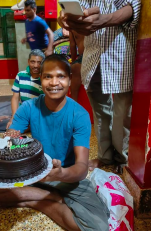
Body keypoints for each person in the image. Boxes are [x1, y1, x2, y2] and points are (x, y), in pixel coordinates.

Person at [0, 54, 109, 231]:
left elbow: (80, 168)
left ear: (70, 79)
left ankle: (38, 201)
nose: (54, 82)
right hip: (29, 173)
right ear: (40, 78)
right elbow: (11, 136)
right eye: (48, 76)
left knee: (98, 227)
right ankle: (47, 196)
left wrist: (60, 174)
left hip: (64, 176)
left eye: (61, 76)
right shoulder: (28, 107)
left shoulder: (79, 115)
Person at [58, 0, 141, 173]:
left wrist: (105, 19)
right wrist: (66, 19)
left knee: (122, 112)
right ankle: (105, 157)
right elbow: (75, 6)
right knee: (100, 111)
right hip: (92, 53)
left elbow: (134, 6)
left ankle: (122, 158)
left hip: (120, 51)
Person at [6, 49, 45, 129]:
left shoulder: (45, 78)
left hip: (39, 113)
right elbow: (15, 98)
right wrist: (13, 117)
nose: (36, 65)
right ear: (28, 61)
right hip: (23, 111)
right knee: (11, 129)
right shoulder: (20, 75)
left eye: (39, 62)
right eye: (33, 62)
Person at [69, 30, 84, 101]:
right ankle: (74, 102)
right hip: (82, 56)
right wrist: (73, 61)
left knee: (76, 67)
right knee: (75, 67)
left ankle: (74, 101)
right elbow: (72, 45)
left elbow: (72, 45)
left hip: (95, 54)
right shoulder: (72, 26)